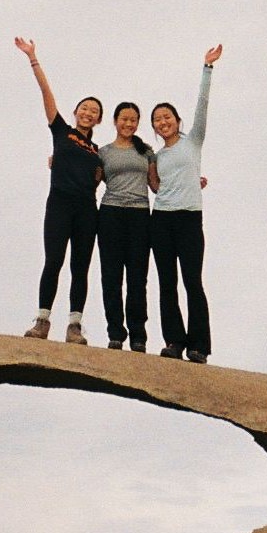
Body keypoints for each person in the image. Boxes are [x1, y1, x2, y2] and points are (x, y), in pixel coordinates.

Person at [14, 37, 102, 344]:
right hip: (60, 205)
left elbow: (117, 175)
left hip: (87, 210)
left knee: (80, 267)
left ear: (98, 120)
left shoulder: (98, 151)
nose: (88, 113)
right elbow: (46, 93)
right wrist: (33, 58)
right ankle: (42, 321)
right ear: (76, 111)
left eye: (94, 111)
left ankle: (74, 326)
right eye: (84, 108)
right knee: (53, 261)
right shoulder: (61, 130)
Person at [150, 44, 223, 363]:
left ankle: (198, 346)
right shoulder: (156, 155)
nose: (162, 122)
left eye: (166, 117)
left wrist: (207, 68)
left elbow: (203, 106)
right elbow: (154, 186)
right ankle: (174, 343)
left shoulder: (193, 141)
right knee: (167, 284)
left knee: (193, 282)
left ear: (177, 120)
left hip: (190, 220)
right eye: (157, 120)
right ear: (154, 128)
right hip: (161, 220)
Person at [97, 103, 158, 352]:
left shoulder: (146, 152)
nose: (129, 124)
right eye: (124, 119)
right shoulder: (103, 152)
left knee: (137, 278)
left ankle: (138, 335)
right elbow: (90, 180)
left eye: (133, 120)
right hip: (110, 214)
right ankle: (115, 333)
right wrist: (59, 164)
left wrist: (189, 182)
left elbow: (156, 185)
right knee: (111, 277)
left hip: (140, 216)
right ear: (115, 121)